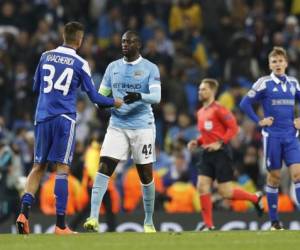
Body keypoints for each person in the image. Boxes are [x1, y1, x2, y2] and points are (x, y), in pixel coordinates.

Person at [15, 21, 123, 235]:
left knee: (38, 167)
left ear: (63, 36)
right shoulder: (80, 63)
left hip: (42, 116)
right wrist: (115, 102)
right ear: (80, 40)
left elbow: (36, 87)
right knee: (62, 170)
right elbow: (94, 98)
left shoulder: (45, 56)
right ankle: (61, 225)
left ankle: (23, 213)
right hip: (64, 119)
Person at [83, 30, 161, 233]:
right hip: (117, 126)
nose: (125, 44)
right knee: (103, 167)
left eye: (130, 41)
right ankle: (92, 218)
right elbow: (102, 94)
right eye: (123, 41)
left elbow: (156, 96)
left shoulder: (150, 68)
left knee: (145, 175)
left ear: (139, 44)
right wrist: (102, 103)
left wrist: (139, 96)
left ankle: (149, 221)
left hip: (142, 127)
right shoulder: (112, 67)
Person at [188, 78, 263, 231]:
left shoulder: (219, 109)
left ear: (213, 91)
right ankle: (208, 225)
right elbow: (208, 134)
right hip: (206, 154)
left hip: (221, 153)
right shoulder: (200, 112)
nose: (200, 92)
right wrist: (197, 141)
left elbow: (233, 128)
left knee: (225, 192)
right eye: (199, 89)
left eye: (204, 89)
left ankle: (255, 198)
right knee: (202, 187)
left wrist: (220, 143)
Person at [240, 46, 300, 230]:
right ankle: (274, 221)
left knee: (298, 174)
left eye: (281, 61)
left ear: (286, 63)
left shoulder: (293, 83)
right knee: (274, 177)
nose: (278, 64)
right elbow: (245, 103)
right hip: (272, 136)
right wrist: (259, 121)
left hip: (291, 135)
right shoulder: (263, 83)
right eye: (274, 61)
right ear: (269, 64)